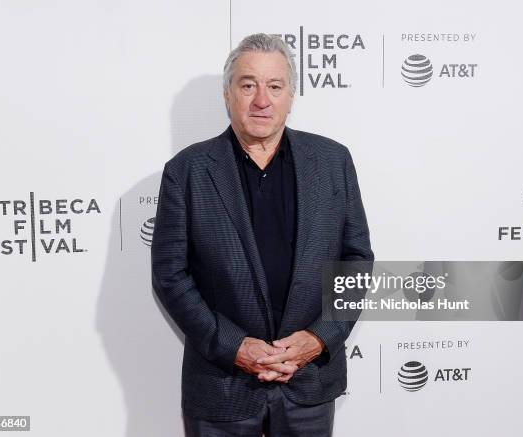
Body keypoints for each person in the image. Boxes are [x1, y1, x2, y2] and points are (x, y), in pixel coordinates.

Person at [151, 33, 374, 436]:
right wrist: (235, 347)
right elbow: (170, 275)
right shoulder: (187, 171)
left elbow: (356, 261)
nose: (261, 100)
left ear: (291, 95)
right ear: (227, 93)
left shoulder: (332, 161)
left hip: (309, 383)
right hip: (222, 387)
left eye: (275, 86)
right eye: (248, 85)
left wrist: (318, 338)